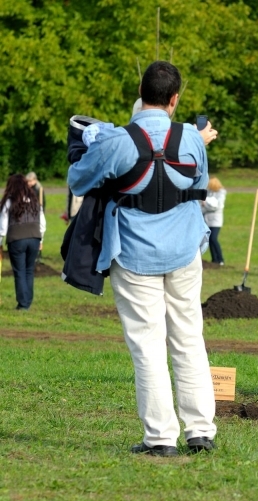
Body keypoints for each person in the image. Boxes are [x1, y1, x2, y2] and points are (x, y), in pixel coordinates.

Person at [68, 61, 220, 457]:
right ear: (175, 99)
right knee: (189, 338)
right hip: (185, 251)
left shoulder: (118, 140)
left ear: (141, 93)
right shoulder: (192, 139)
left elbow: (77, 181)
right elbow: (199, 186)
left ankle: (160, 439)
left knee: (148, 346)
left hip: (133, 254)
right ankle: (201, 430)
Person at [0, 173, 46, 310]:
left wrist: (0, 242)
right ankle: (27, 302)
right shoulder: (35, 201)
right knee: (29, 271)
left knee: (19, 271)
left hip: (17, 240)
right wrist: (41, 240)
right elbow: (42, 223)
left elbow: (2, 226)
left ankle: (23, 304)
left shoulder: (9, 201)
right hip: (34, 238)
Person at [201, 177, 226, 265]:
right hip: (207, 220)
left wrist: (205, 205)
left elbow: (218, 206)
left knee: (213, 238)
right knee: (209, 240)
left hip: (216, 221)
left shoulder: (220, 193)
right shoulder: (208, 192)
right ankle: (214, 259)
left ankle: (220, 259)